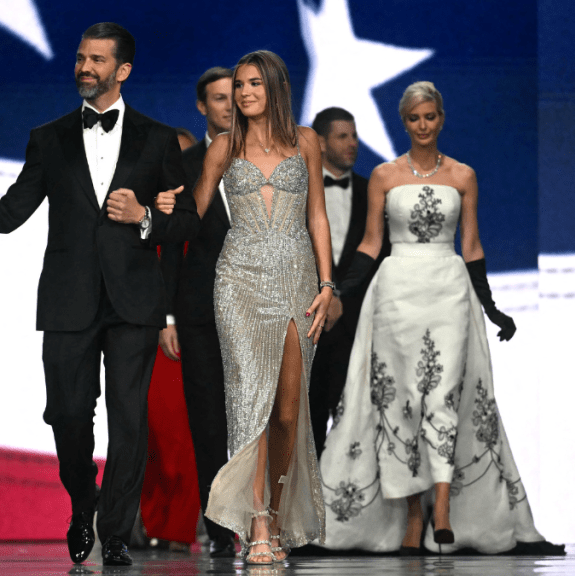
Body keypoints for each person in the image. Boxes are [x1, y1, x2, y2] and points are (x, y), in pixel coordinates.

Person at [0, 22, 199, 567]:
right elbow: (11, 213)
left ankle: (115, 532)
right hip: (68, 298)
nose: (85, 67)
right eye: (81, 58)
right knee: (66, 414)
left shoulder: (157, 139)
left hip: (133, 300)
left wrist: (144, 218)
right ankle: (82, 504)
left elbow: (187, 224)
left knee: (130, 420)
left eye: (97, 61)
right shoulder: (49, 136)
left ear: (123, 70)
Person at [317, 81, 561, 555]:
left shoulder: (463, 176)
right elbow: (370, 244)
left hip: (449, 290)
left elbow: (471, 245)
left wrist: (490, 306)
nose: (423, 126)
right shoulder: (385, 177)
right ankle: (412, 517)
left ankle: (443, 509)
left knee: (444, 394)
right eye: (414, 119)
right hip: (395, 294)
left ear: (441, 119)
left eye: (430, 117)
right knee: (401, 402)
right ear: (403, 122)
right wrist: (339, 293)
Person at [157, 50, 333, 565]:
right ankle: (256, 523)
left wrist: (327, 283)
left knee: (286, 411)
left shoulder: (306, 141)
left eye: (253, 84)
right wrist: (163, 211)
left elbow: (318, 215)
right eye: (238, 85)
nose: (243, 93)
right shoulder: (223, 148)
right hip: (237, 281)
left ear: (274, 87)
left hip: (298, 279)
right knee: (249, 402)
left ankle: (276, 515)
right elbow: (193, 216)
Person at [158, 66, 238, 558]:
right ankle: (220, 527)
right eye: (220, 98)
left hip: (260, 307)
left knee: (260, 417)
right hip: (199, 307)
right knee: (208, 419)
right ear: (201, 107)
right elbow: (168, 248)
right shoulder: (181, 165)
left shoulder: (268, 156)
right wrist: (167, 318)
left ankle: (265, 521)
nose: (230, 104)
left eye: (237, 95)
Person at [308, 107, 390, 456]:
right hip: (308, 324)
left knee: (354, 426)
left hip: (357, 326)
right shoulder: (296, 192)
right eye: (343, 136)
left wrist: (342, 298)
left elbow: (382, 258)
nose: (353, 144)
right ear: (321, 144)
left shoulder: (374, 191)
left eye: (354, 135)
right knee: (305, 426)